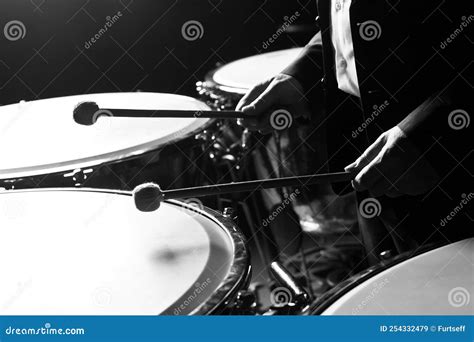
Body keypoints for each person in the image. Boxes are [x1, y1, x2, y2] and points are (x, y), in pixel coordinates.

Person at [237, 0, 473, 264]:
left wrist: (430, 133)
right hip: (372, 164)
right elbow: (347, 15)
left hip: (451, 168)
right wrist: (303, 76)